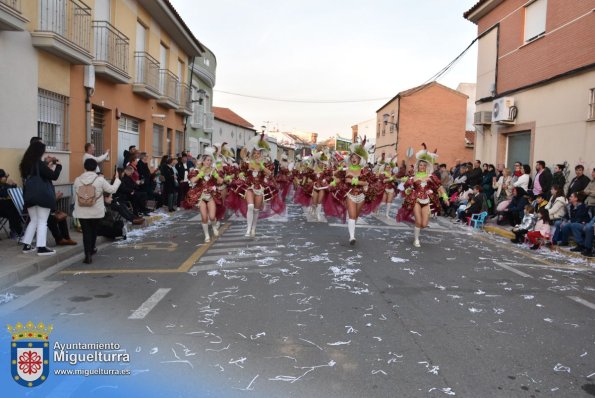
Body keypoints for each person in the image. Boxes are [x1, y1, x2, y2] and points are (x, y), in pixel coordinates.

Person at [397, 144, 449, 247]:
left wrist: (445, 197)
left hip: (426, 201)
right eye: (421, 165)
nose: (422, 167)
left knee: (424, 224)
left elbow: (439, 187)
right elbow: (407, 187)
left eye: (424, 165)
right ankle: (416, 240)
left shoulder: (431, 177)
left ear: (427, 167)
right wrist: (407, 190)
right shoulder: (414, 177)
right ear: (418, 166)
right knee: (418, 221)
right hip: (416, 200)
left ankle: (418, 229)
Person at [73, 159, 121, 264]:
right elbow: (112, 190)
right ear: (95, 168)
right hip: (96, 211)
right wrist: (117, 179)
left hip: (81, 211)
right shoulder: (100, 180)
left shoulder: (77, 180)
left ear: (84, 167)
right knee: (94, 230)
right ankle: (92, 249)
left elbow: (75, 196)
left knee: (86, 232)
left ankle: (87, 255)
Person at [19, 141, 62, 256]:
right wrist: (58, 166)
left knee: (34, 220)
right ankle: (41, 248)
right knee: (42, 221)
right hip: (42, 197)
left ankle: (27, 245)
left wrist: (46, 164)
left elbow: (39, 172)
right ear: (39, 152)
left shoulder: (25, 164)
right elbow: (54, 176)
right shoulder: (39, 164)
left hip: (30, 197)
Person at [186, 148, 223, 243]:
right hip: (201, 196)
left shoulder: (213, 170)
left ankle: (214, 227)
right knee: (204, 217)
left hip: (211, 196)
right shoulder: (196, 170)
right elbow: (192, 180)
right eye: (207, 160)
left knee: (211, 217)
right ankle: (206, 235)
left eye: (210, 160)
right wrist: (200, 174)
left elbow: (221, 181)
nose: (209, 162)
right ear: (203, 161)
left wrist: (217, 176)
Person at [0, 169, 23, 238]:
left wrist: (14, 185)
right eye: (4, 177)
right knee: (12, 210)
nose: (6, 178)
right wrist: (11, 186)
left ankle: (17, 230)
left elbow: (11, 191)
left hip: (6, 207)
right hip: (2, 209)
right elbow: (4, 194)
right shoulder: (3, 185)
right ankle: (17, 231)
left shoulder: (5, 184)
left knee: (14, 208)